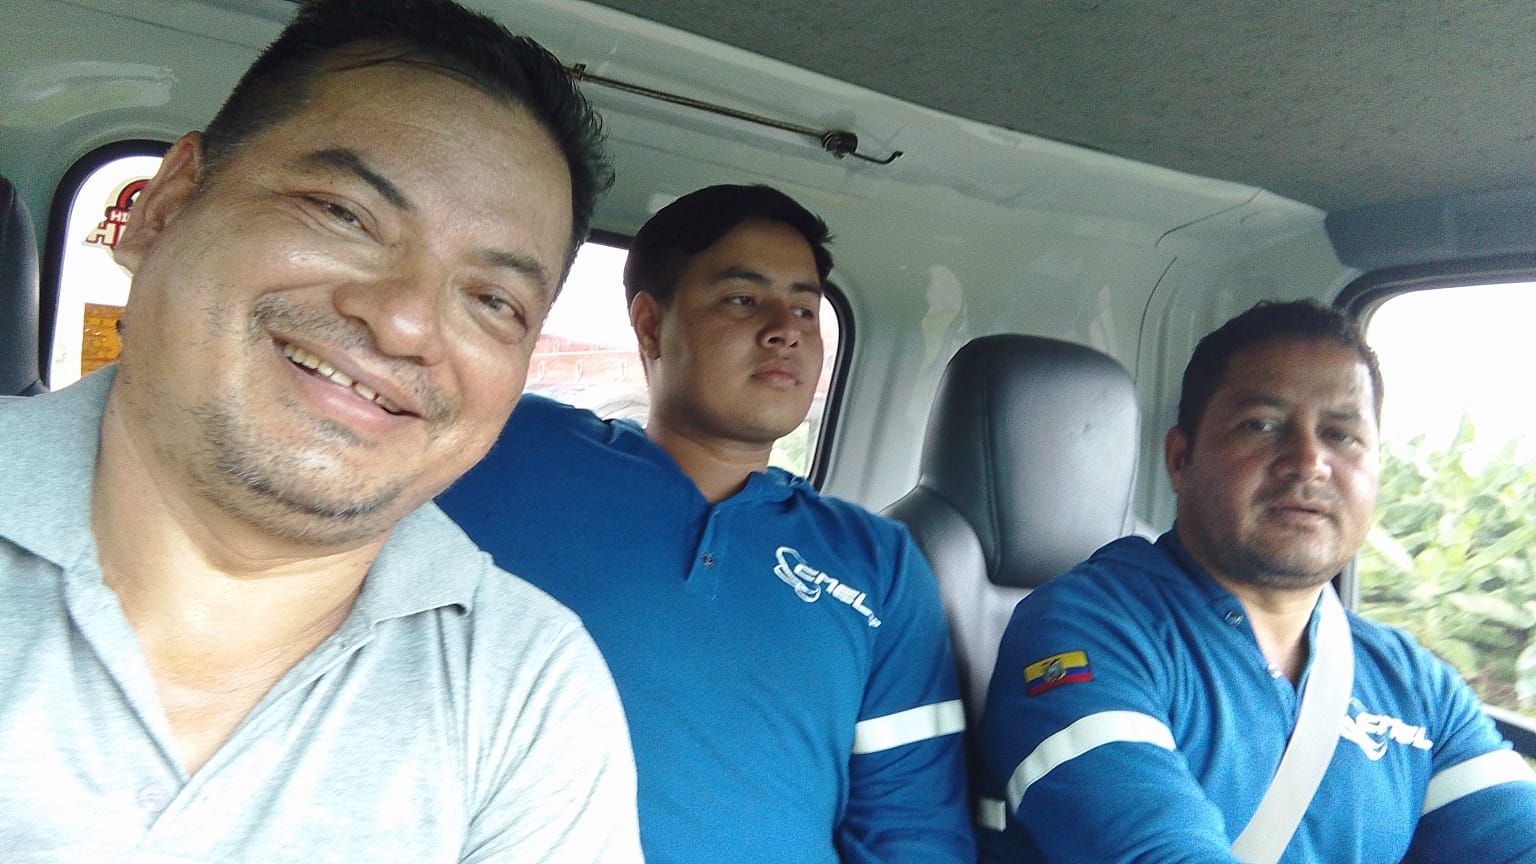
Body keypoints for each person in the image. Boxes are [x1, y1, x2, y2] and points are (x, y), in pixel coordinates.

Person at [0, 1, 643, 860]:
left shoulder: (525, 688)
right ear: (165, 207)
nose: (405, 322)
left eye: (493, 300)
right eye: (344, 214)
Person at [438, 183, 974, 863]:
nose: (786, 329)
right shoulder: (510, 447)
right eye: (742, 299)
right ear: (649, 326)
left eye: (805, 309)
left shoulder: (879, 562)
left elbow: (914, 827)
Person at [976, 300, 1536, 862]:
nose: (1309, 461)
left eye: (1342, 435)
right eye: (1262, 426)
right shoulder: (1083, 633)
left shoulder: (1414, 681)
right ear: (1181, 459)